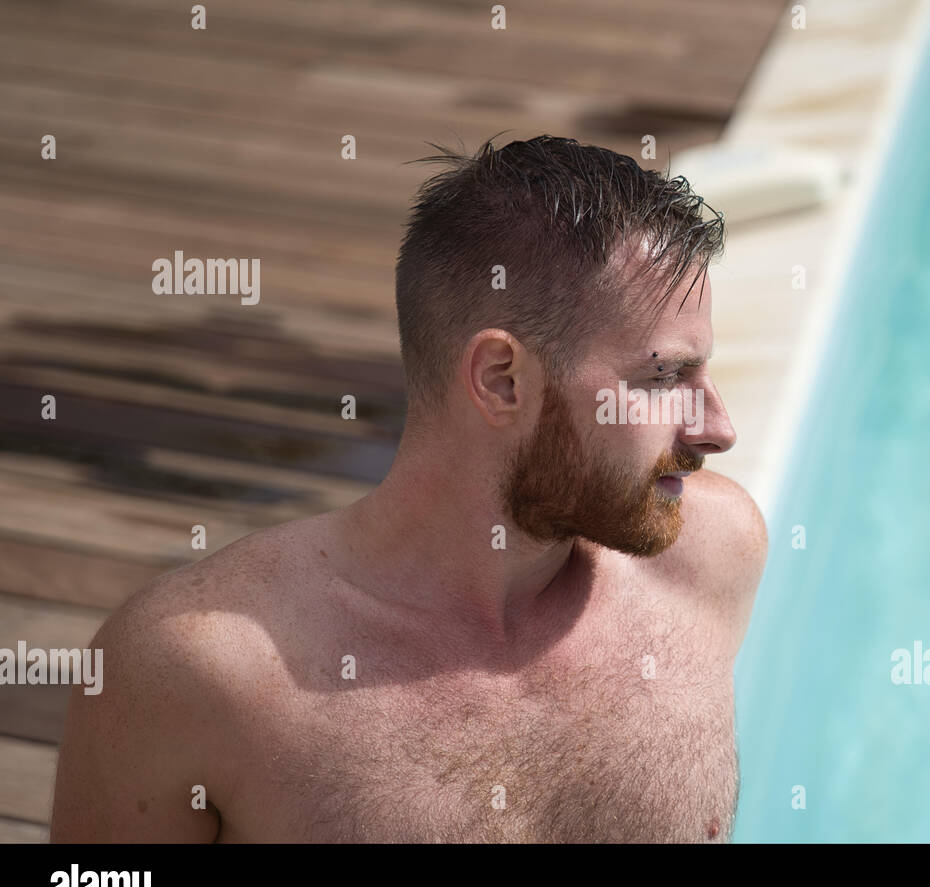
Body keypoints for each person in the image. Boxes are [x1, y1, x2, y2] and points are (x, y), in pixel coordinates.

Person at [50, 135, 768, 842]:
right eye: (664, 377)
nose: (717, 428)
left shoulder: (709, 559)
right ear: (502, 380)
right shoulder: (198, 676)